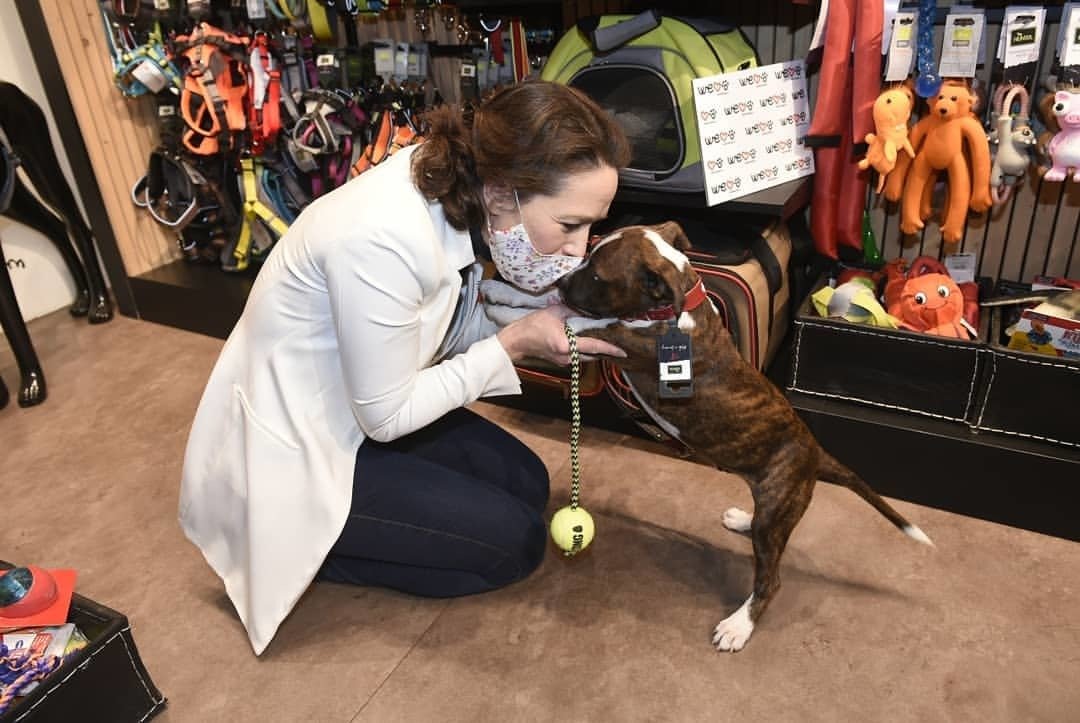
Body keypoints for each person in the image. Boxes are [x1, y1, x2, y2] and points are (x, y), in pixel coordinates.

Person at [179, 80, 631, 655]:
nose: (578, 248)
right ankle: (297, 549)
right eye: (569, 225)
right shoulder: (381, 237)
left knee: (528, 483)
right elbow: (387, 418)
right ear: (502, 193)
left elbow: (441, 326)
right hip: (299, 448)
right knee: (512, 548)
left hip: (355, 403)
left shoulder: (455, 185)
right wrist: (513, 344)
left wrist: (528, 320)